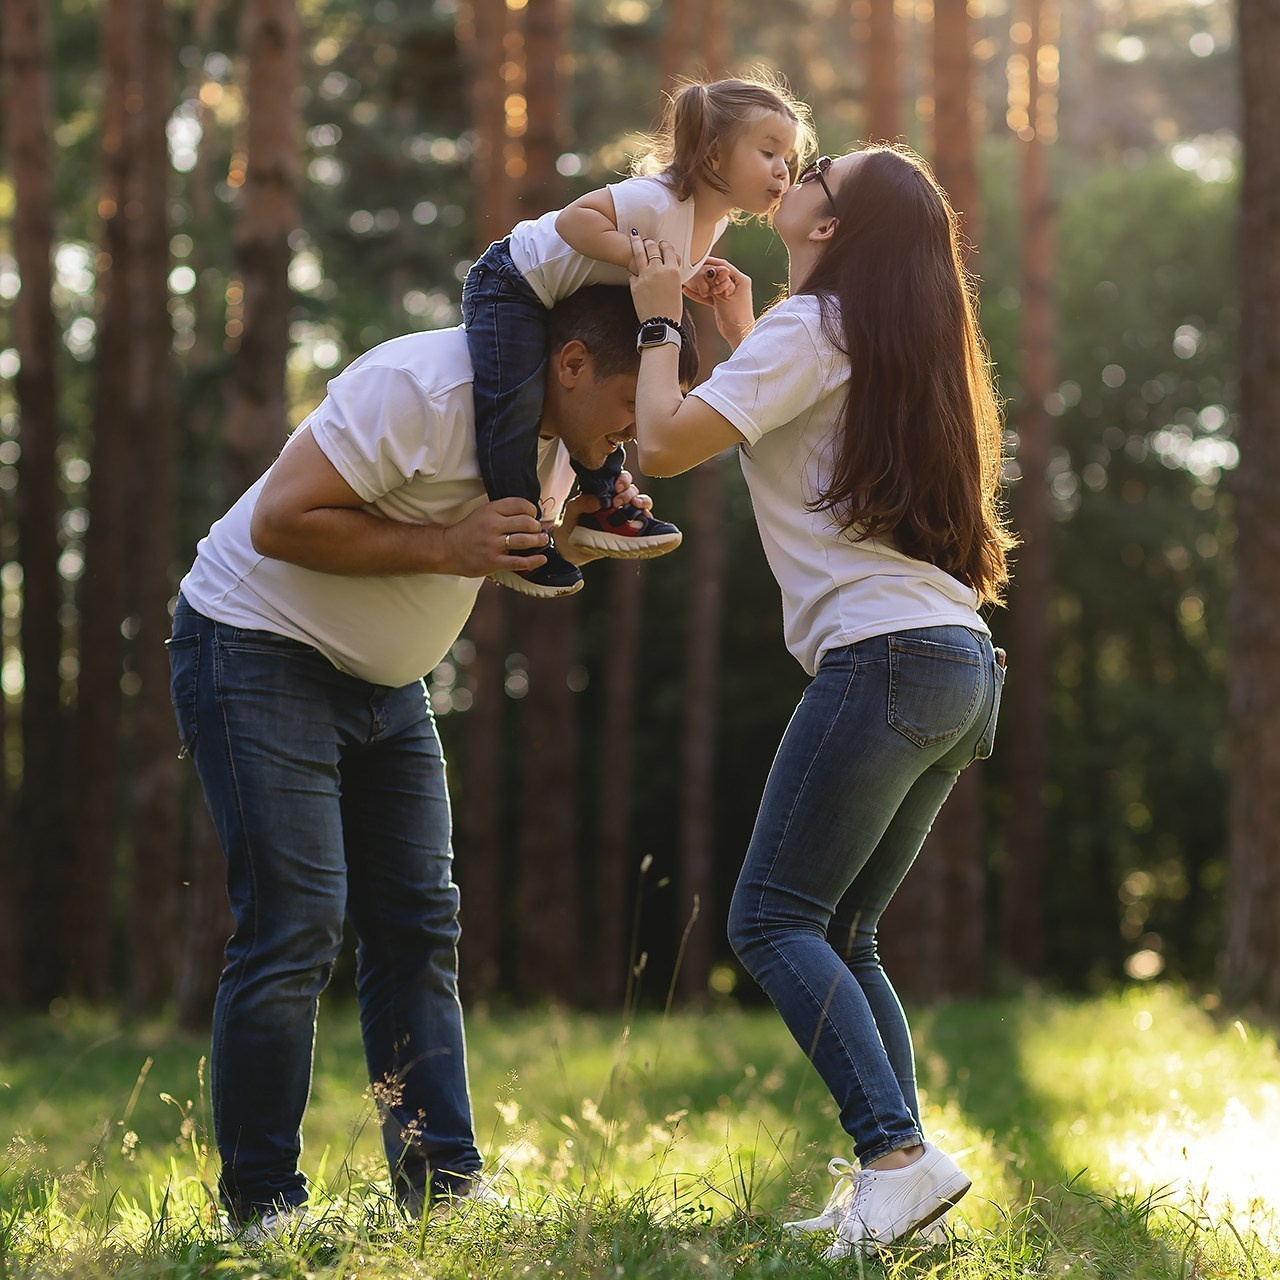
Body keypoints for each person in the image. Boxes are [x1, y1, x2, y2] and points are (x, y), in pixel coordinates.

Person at [167, 286, 696, 1236]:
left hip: (388, 684)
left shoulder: (556, 441)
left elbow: (490, 549)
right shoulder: (420, 384)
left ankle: (440, 1186)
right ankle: (260, 1207)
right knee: (295, 926)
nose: (635, 430)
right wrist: (451, 545)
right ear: (571, 363)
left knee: (418, 926)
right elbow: (278, 521)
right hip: (255, 645)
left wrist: (566, 536)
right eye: (629, 403)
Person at [625, 145, 1016, 1257]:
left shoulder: (817, 330)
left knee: (768, 918)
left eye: (815, 173)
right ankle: (896, 1185)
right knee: (846, 931)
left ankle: (896, 1154)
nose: (791, 173)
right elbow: (800, 449)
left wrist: (660, 323)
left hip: (881, 659)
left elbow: (660, 442)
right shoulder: (866, 337)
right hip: (953, 662)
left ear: (830, 226)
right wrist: (733, 331)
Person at [461, 73, 814, 596]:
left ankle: (603, 503)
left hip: (571, 303)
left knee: (615, 397)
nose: (783, 169)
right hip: (512, 282)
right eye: (767, 152)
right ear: (714, 154)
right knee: (514, 401)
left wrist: (688, 274)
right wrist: (634, 254)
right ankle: (521, 543)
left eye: (787, 157)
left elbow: (666, 253)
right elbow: (574, 222)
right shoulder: (657, 198)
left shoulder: (709, 221)